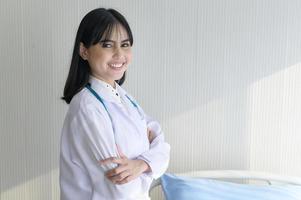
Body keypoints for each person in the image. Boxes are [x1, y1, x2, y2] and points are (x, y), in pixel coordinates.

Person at [60, 8, 170, 200]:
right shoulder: (87, 107)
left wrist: (141, 164)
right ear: (84, 51)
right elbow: (122, 189)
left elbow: (162, 145)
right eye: (107, 45)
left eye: (125, 44)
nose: (120, 54)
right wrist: (151, 160)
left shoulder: (124, 97)